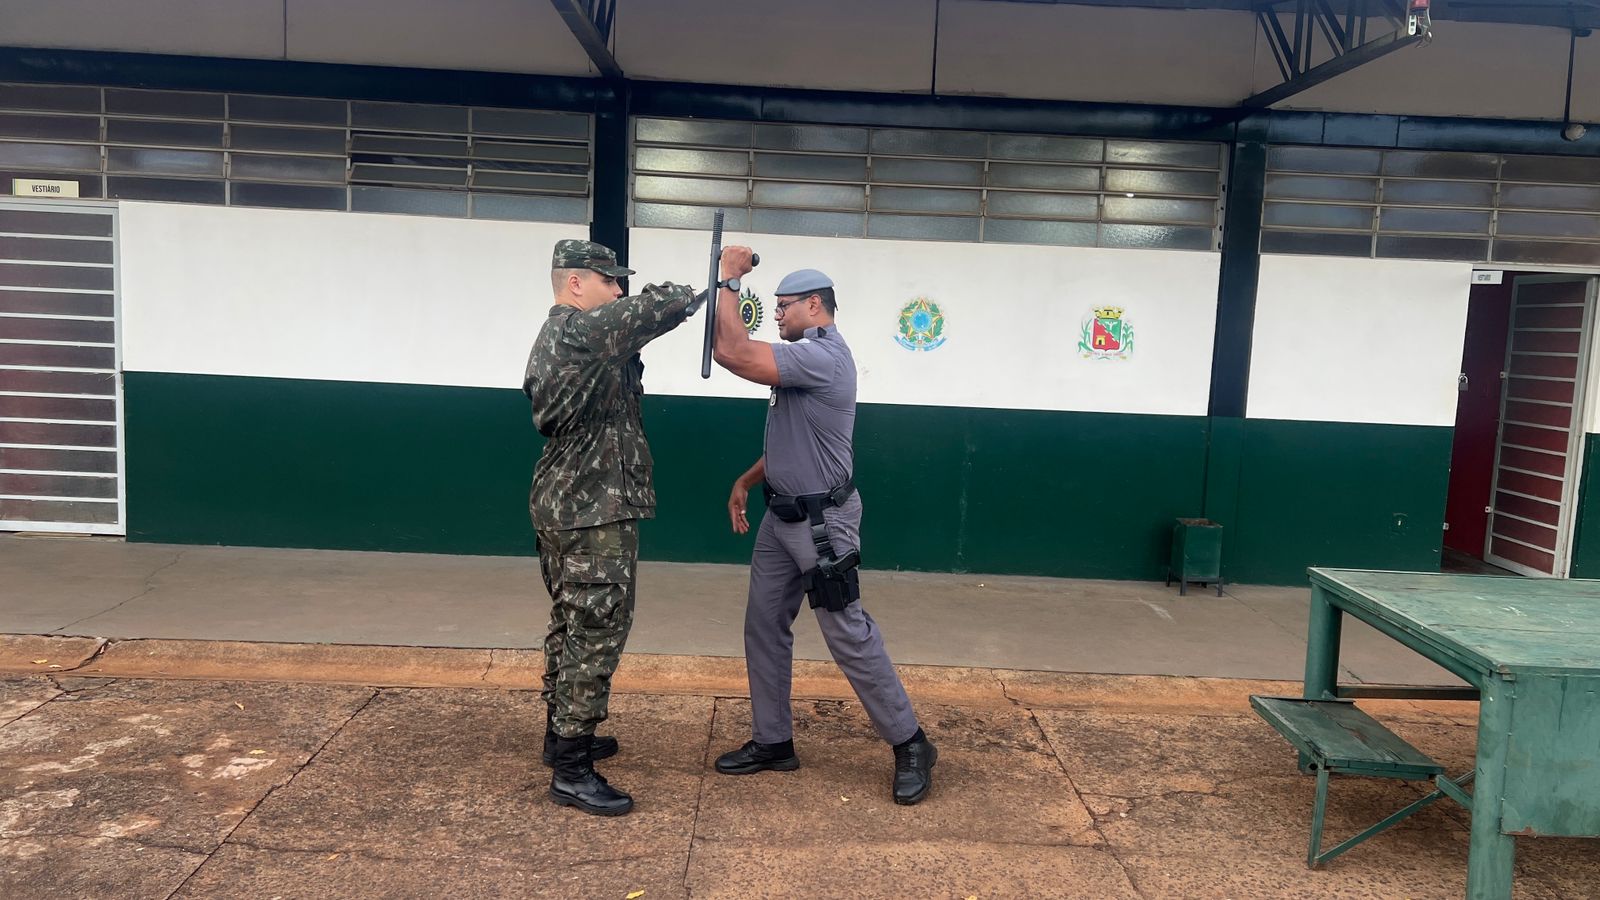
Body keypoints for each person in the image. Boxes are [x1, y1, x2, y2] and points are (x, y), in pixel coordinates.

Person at [708, 247, 937, 805]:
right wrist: (747, 480)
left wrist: (728, 281)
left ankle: (910, 742)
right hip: (780, 516)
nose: (779, 314)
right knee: (763, 625)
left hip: (822, 524)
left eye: (785, 306)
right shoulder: (800, 362)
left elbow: (734, 352)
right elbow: (797, 441)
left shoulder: (823, 356)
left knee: (847, 633)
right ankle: (773, 741)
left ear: (815, 306)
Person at [523, 239, 701, 817]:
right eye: (609, 280)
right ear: (577, 284)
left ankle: (561, 735)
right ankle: (573, 768)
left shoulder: (565, 337)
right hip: (590, 505)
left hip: (568, 498)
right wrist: (706, 281)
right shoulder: (580, 331)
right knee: (598, 625)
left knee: (572, 619)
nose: (618, 290)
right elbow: (660, 305)